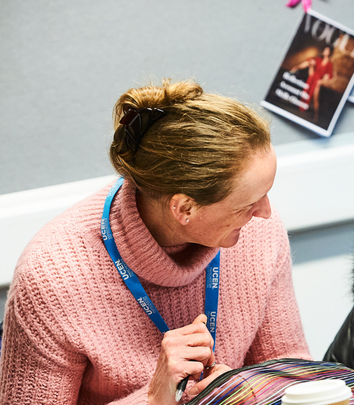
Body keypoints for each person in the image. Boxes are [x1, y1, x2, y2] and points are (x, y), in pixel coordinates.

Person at [0, 79, 311, 404]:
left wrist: (249, 391)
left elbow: (295, 378)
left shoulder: (258, 234)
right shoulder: (52, 276)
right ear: (184, 209)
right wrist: (154, 399)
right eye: (248, 204)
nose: (265, 213)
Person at [290, 46, 335, 123]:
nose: (325, 51)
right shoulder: (318, 59)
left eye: (327, 50)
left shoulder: (329, 64)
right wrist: (297, 67)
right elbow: (308, 63)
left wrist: (321, 81)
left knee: (315, 97)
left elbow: (329, 76)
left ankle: (316, 116)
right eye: (324, 50)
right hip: (312, 78)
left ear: (329, 52)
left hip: (317, 81)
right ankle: (301, 109)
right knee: (305, 93)